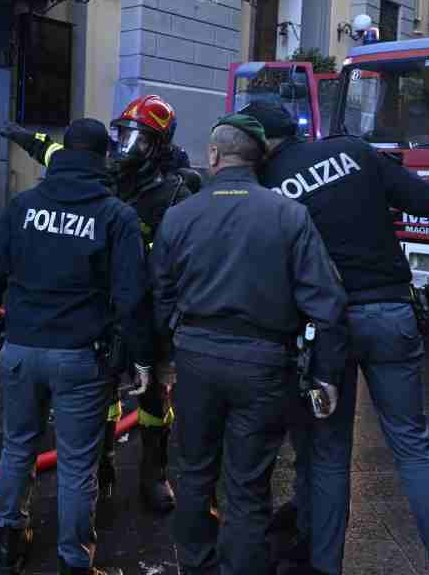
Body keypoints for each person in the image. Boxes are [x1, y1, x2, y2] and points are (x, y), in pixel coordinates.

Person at [240, 100, 429, 575]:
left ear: (260, 143)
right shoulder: (353, 150)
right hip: (390, 312)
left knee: (327, 455)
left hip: (324, 330)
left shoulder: (265, 187)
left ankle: (324, 567)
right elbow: (426, 201)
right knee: (413, 449)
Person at [150, 113, 347, 575]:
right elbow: (327, 301)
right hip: (264, 364)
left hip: (196, 358)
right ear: (260, 160)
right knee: (248, 484)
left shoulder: (180, 215)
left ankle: (198, 566)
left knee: (195, 473)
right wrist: (326, 374)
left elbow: (159, 292)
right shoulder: (289, 214)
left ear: (214, 155)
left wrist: (164, 355)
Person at [0, 118, 154, 575]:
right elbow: (132, 297)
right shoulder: (116, 215)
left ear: (63, 154)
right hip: (80, 357)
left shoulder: (24, 205)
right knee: (76, 463)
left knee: (17, 448)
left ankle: (10, 540)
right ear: (103, 159)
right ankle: (75, 560)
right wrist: (141, 357)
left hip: (21, 349)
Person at [0, 94, 196, 512]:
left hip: (151, 309)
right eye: (121, 137)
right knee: (102, 394)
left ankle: (154, 473)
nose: (125, 149)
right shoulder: (105, 175)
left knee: (154, 399)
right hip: (105, 307)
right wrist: (22, 136)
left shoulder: (177, 191)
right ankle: (101, 467)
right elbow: (57, 151)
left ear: (158, 146)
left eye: (137, 140)